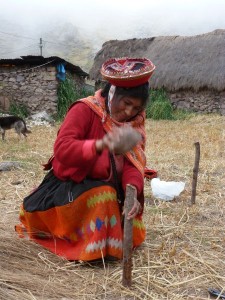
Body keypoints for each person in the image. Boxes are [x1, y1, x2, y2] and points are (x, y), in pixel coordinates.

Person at [15, 57, 156, 261]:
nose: (129, 113)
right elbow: (63, 149)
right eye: (127, 104)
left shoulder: (134, 124)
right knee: (104, 197)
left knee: (130, 222)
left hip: (109, 185)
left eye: (136, 108)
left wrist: (132, 192)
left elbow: (131, 164)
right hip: (71, 186)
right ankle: (90, 246)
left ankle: (108, 238)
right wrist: (102, 145)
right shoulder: (85, 110)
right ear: (113, 93)